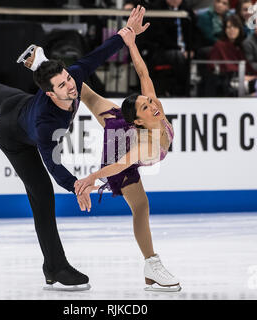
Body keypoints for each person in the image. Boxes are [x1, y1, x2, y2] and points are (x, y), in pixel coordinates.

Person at [0, 6, 149, 292]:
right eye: (62, 86)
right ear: (50, 94)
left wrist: (127, 34)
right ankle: (55, 267)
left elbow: (97, 55)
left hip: (17, 101)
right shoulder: (46, 125)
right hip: (15, 138)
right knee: (42, 197)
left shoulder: (72, 78)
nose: (71, 86)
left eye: (67, 79)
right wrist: (77, 185)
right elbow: (53, 166)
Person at [74, 27, 181, 292]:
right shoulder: (144, 146)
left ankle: (48, 66)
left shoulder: (156, 111)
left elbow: (143, 73)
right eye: (146, 106)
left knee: (88, 96)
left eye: (149, 102)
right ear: (138, 120)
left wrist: (131, 43)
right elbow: (121, 164)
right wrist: (91, 178)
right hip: (118, 149)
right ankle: (152, 265)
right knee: (141, 206)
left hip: (125, 122)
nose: (153, 105)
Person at [140, 0, 198, 96]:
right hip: (161, 50)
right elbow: (157, 36)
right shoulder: (156, 9)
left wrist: (192, 49)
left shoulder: (187, 9)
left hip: (184, 51)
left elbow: (195, 34)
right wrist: (180, 49)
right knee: (177, 57)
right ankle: (182, 93)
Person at [207, 14, 257, 96]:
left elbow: (249, 67)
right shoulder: (220, 45)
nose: (232, 30)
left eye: (235, 27)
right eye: (228, 27)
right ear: (225, 29)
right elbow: (215, 68)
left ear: (240, 29)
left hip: (246, 79)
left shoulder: (242, 46)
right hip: (228, 82)